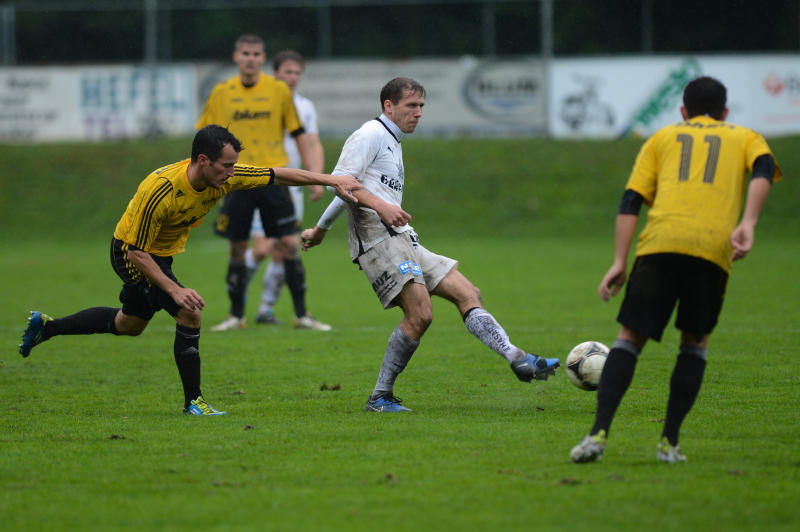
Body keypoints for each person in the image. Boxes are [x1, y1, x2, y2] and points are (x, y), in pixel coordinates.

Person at [18, 125, 361, 416]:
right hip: (131, 254)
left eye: (234, 166)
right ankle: (194, 402)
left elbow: (277, 175)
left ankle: (47, 327)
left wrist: (331, 180)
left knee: (129, 325)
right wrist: (174, 289)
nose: (232, 173)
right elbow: (136, 252)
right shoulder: (161, 190)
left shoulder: (225, 177)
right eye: (226, 166)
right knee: (189, 312)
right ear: (203, 160)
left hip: (159, 255)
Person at [300, 77, 560, 413]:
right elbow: (339, 183)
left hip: (402, 236)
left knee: (468, 293)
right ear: (388, 106)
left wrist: (320, 230)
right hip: (378, 240)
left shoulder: (392, 140)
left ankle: (517, 357)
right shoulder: (370, 134)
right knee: (420, 314)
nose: (419, 113)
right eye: (412, 106)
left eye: (422, 106)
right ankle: (380, 397)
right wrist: (380, 207)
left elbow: (349, 189)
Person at [569, 76, 781, 463]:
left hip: (659, 246)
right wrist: (748, 222)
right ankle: (669, 443)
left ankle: (597, 435)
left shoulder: (662, 138)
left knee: (629, 339)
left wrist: (620, 261)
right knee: (694, 344)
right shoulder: (745, 137)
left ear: (683, 111)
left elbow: (631, 200)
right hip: (711, 250)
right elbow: (764, 168)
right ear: (725, 112)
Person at [196, 34, 330, 332]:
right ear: (236, 57)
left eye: (256, 54)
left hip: (272, 177)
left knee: (289, 243)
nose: (251, 59)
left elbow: (300, 135)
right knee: (238, 247)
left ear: (263, 58)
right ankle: (236, 316)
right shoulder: (221, 93)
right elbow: (204, 138)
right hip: (235, 180)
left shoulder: (278, 91)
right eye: (245, 53)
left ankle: (302, 314)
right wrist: (203, 178)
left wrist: (314, 176)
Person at [243, 50, 326, 326]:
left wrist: (316, 178)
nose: (293, 77)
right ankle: (237, 299)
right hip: (262, 183)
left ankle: (265, 309)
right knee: (262, 249)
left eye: (297, 72)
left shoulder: (305, 106)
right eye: (287, 71)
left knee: (284, 248)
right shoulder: (262, 99)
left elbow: (312, 143)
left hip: (292, 188)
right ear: (275, 72)